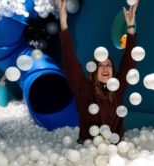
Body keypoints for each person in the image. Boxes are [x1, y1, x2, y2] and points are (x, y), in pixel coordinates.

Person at [56, 0, 139, 144]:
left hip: (115, 148)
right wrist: (64, 24)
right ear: (93, 70)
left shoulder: (117, 89)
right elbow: (71, 63)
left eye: (108, 65)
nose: (105, 68)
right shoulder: (85, 90)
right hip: (88, 148)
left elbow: (129, 63)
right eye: (100, 65)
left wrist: (130, 26)